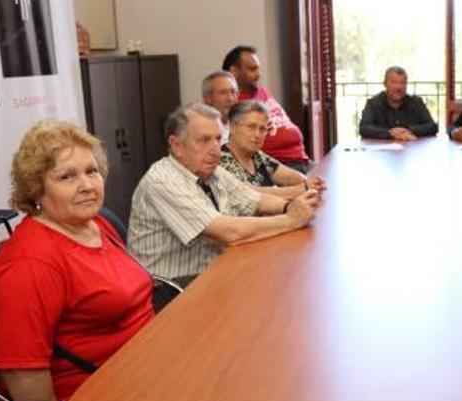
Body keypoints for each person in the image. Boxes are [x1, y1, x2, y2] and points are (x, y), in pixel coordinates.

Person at [0, 121, 154, 401]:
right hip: (86, 399)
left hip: (139, 372)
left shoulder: (96, 224)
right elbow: (23, 370)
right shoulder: (30, 263)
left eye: (92, 171)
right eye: (67, 176)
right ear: (37, 189)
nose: (86, 185)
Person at [128, 103, 320, 285]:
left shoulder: (211, 171)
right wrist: (292, 219)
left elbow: (255, 200)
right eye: (204, 140)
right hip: (172, 289)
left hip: (212, 271)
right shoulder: (163, 180)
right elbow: (229, 232)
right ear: (176, 145)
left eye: (218, 139)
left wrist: (290, 206)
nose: (215, 151)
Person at [222, 45, 311, 172]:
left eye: (258, 69)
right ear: (234, 72)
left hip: (301, 159)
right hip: (281, 165)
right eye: (253, 69)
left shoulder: (263, 91)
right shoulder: (235, 104)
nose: (259, 74)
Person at [221, 100, 327, 200]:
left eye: (262, 129)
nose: (257, 134)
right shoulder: (222, 160)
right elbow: (250, 193)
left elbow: (287, 175)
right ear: (233, 127)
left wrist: (309, 182)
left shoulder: (256, 156)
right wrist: (302, 188)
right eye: (251, 127)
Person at [358, 66, 438, 140]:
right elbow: (364, 128)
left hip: (411, 149)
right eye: (394, 82)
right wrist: (390, 133)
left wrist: (409, 130)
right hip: (383, 152)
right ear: (385, 84)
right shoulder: (373, 104)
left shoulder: (416, 103)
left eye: (402, 83)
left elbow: (433, 127)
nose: (398, 87)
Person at [201, 70, 239, 144]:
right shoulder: (199, 131)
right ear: (208, 98)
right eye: (223, 93)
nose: (230, 98)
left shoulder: (241, 126)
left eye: (233, 92)